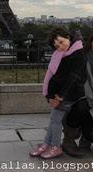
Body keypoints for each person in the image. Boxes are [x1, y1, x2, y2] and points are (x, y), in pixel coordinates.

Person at [29, 28, 86, 159]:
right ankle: (47, 144)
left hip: (67, 94)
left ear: (68, 36)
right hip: (60, 94)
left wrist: (60, 96)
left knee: (55, 120)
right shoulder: (63, 53)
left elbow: (73, 78)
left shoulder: (78, 54)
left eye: (61, 41)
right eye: (57, 45)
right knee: (53, 120)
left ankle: (55, 146)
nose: (60, 46)